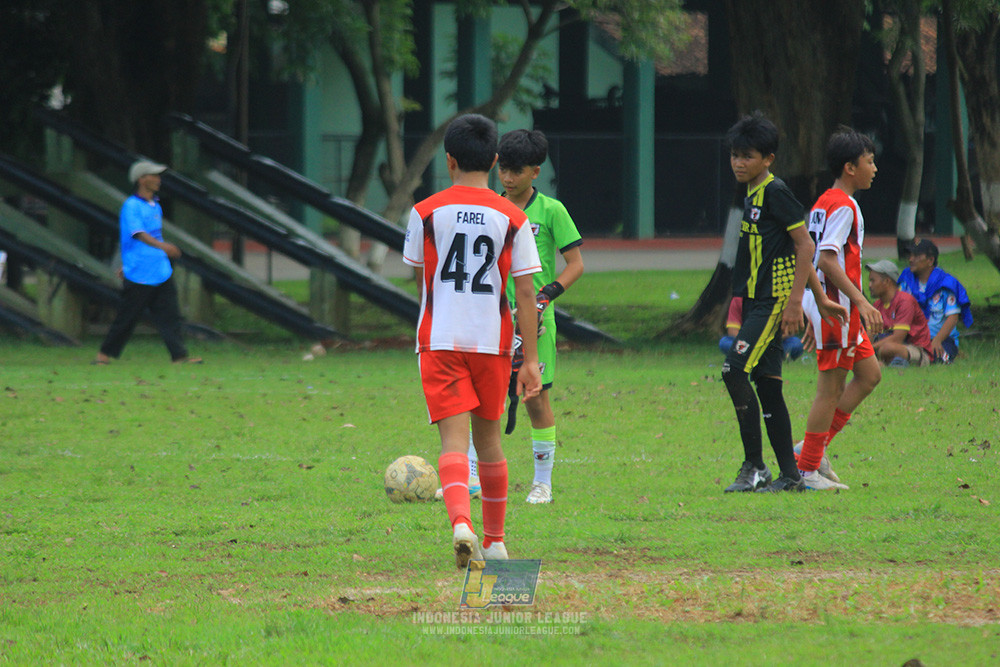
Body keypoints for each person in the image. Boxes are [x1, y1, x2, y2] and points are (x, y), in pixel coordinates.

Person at [402, 114, 542, 569]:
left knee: (453, 442)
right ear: (495, 160)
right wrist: (531, 360)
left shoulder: (425, 212)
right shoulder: (514, 217)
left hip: (441, 339)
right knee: (490, 442)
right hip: (492, 342)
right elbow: (525, 292)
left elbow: (421, 279)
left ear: (449, 160)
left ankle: (461, 523)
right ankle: (496, 542)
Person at [721, 112, 847, 494]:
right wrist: (820, 299)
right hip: (756, 299)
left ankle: (755, 466)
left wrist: (796, 303)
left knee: (733, 370)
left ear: (768, 159)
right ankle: (791, 476)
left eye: (748, 156)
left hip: (772, 301)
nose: (739, 163)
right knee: (768, 385)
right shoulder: (751, 193)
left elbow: (805, 245)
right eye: (735, 155)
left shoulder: (775, 192)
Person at [799, 127, 884, 491]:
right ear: (850, 167)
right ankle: (806, 470)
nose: (874, 169)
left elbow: (811, 255)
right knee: (830, 390)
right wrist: (861, 300)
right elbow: (826, 260)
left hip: (829, 305)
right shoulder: (844, 206)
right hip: (839, 308)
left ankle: (812, 450)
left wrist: (812, 305)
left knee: (869, 375)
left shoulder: (824, 202)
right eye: (869, 161)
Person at [94, 160, 201, 365]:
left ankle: (179, 356)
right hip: (140, 272)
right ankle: (103, 356)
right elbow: (138, 234)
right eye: (154, 176)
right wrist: (163, 247)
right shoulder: (131, 206)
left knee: (170, 315)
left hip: (159, 269)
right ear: (141, 179)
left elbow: (147, 236)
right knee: (128, 316)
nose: (158, 180)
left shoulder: (155, 206)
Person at [897, 239, 973, 364]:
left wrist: (937, 340)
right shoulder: (906, 282)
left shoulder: (945, 284)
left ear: (930, 260)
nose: (911, 259)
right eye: (910, 255)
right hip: (912, 336)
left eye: (916, 256)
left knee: (937, 359)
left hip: (941, 338)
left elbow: (952, 317)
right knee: (891, 350)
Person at [866, 259, 933, 367]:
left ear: (887, 281)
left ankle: (891, 364)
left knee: (887, 349)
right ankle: (887, 364)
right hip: (884, 349)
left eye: (873, 281)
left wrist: (868, 350)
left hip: (916, 350)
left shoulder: (905, 301)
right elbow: (869, 336)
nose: (869, 285)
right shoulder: (877, 305)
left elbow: (897, 338)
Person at [719, 296, 803, 361]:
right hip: (747, 344)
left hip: (773, 343)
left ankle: (751, 356)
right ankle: (767, 356)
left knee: (796, 344)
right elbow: (732, 331)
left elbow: (788, 331)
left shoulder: (780, 298)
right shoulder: (739, 298)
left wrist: (768, 341)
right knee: (725, 342)